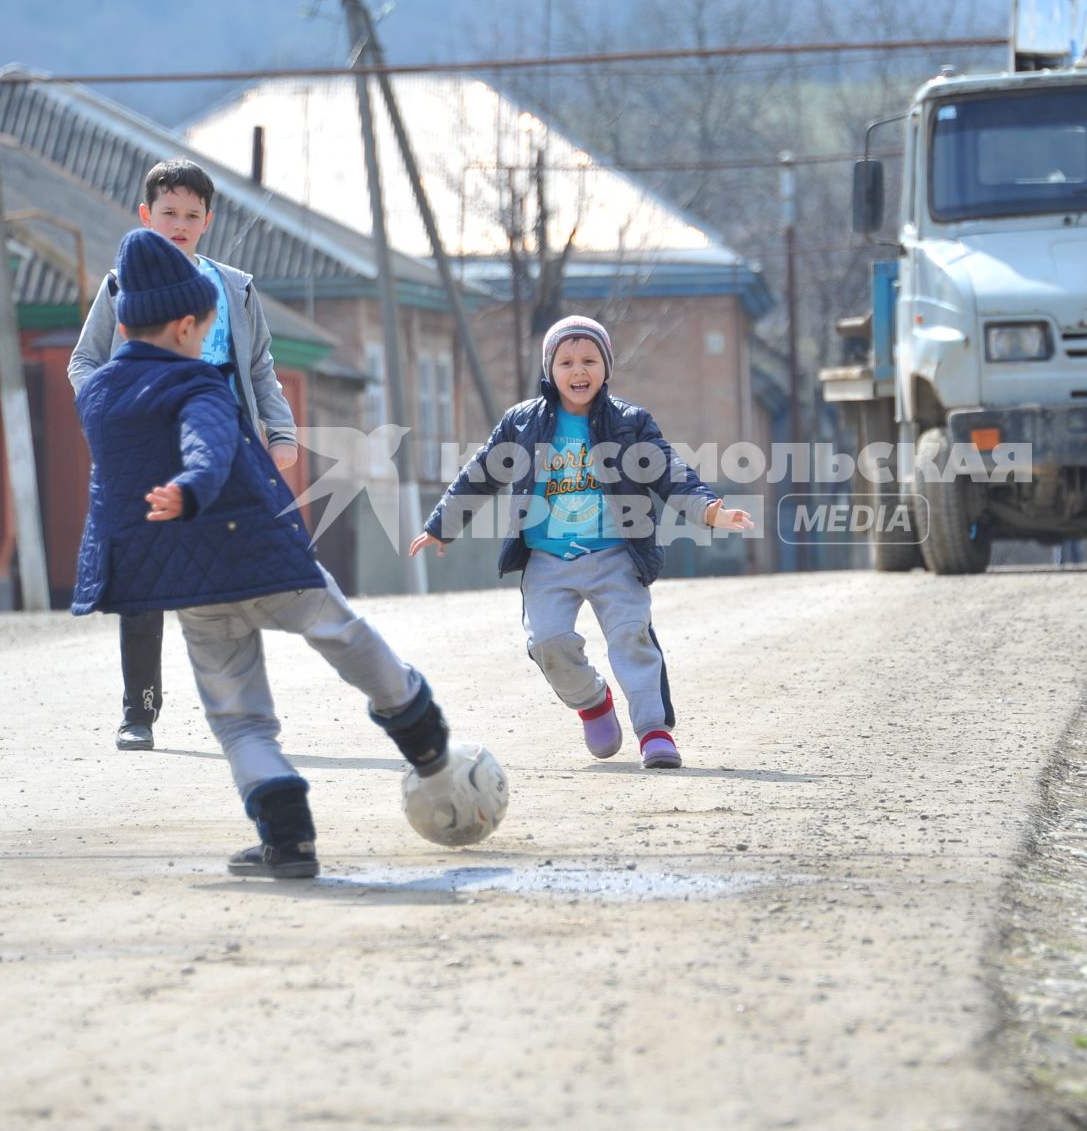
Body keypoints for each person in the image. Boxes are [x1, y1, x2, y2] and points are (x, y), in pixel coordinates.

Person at [73, 229, 454, 879]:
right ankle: (419, 727)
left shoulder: (99, 396)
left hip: (187, 582)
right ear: (186, 325)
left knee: (239, 716)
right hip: (261, 550)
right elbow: (210, 445)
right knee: (340, 630)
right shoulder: (200, 386)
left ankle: (288, 837)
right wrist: (193, 489)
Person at [409, 315, 753, 770]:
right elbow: (482, 472)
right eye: (567, 361)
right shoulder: (522, 422)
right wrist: (442, 524)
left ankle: (653, 731)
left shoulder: (630, 422)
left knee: (632, 638)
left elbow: (669, 472)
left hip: (616, 555)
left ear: (606, 368)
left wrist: (709, 510)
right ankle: (593, 702)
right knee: (548, 641)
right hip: (548, 559)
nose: (579, 371)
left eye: (590, 360)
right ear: (550, 368)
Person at [68, 158, 299, 752]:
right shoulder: (121, 286)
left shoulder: (235, 288)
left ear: (207, 222)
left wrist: (281, 433)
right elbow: (83, 361)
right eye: (168, 213)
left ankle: (239, 712)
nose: (179, 224)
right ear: (146, 216)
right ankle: (139, 711)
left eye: (191, 216)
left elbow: (260, 370)